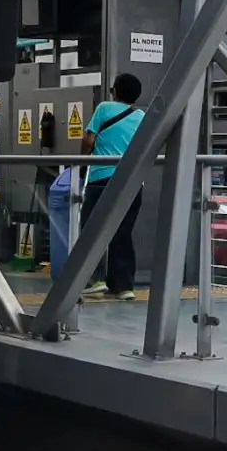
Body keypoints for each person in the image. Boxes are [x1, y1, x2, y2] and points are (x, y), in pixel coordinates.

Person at [78, 72, 145, 300]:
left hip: (101, 178)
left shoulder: (104, 108)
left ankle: (93, 280)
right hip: (132, 181)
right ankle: (124, 287)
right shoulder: (142, 116)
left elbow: (88, 141)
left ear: (115, 91)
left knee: (91, 230)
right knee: (122, 232)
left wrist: (82, 161)